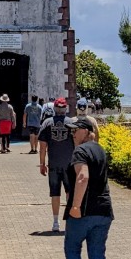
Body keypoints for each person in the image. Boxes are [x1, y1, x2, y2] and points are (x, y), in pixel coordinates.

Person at [62, 115, 113, 259]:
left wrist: (76, 206)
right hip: (103, 210)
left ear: (85, 131)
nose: (72, 135)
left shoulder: (80, 151)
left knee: (72, 248)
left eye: (75, 131)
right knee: (97, 253)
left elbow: (83, 177)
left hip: (84, 211)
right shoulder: (101, 150)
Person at [38, 97, 75, 232]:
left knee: (55, 193)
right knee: (69, 192)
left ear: (54, 108)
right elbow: (76, 145)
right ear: (65, 108)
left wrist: (42, 164)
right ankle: (70, 221)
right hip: (69, 164)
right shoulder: (72, 123)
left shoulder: (47, 123)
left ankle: (55, 222)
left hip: (53, 164)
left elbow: (42, 147)